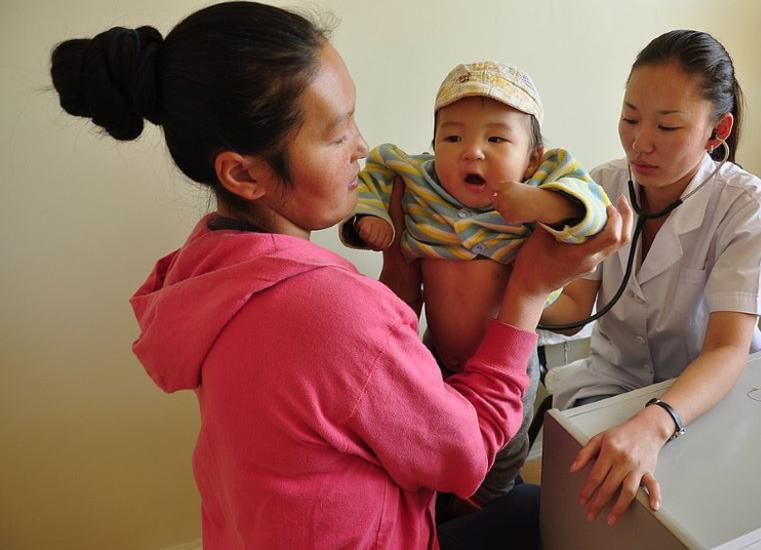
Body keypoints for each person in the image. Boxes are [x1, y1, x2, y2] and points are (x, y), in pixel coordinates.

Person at [49, 3, 632, 549]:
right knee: (549, 512)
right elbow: (466, 454)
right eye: (337, 132)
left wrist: (401, 260)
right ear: (244, 174)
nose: (363, 147)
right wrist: (527, 292)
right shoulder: (330, 311)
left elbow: (355, 383)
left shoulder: (209, 271)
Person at [339, 60, 610, 506]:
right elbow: (377, 171)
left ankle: (496, 500)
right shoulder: (420, 180)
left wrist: (545, 203)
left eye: (496, 138)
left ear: (533, 158)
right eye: (453, 137)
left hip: (509, 363)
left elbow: (593, 209)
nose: (473, 151)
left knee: (502, 451)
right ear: (432, 147)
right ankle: (442, 503)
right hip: (434, 356)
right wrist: (371, 216)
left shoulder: (544, 180)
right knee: (425, 438)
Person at [542, 29, 761, 527]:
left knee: (698, 516)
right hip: (614, 384)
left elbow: (726, 349)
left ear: (718, 131)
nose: (639, 142)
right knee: (598, 508)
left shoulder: (745, 205)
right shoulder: (600, 187)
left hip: (707, 395)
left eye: (667, 127)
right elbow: (576, 308)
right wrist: (517, 297)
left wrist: (655, 423)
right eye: (630, 118)